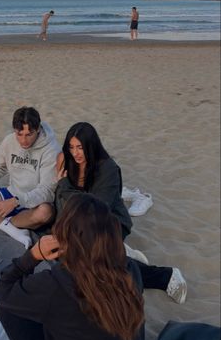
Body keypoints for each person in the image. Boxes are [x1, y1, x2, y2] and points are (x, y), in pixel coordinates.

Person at [0, 193, 148, 340]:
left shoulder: (55, 283)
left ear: (65, 235)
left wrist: (33, 256)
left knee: (9, 308)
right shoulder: (130, 270)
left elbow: (0, 292)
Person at [54, 122, 187, 303]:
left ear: (91, 146)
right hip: (79, 225)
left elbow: (94, 210)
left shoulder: (108, 169)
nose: (75, 153)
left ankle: (166, 276)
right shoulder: (69, 163)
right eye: (71, 147)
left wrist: (64, 186)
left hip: (109, 223)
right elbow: (61, 201)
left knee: (97, 263)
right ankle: (121, 254)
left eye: (80, 147)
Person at [0, 106, 59, 248]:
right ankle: (9, 226)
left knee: (45, 213)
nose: (23, 141)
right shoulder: (9, 141)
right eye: (19, 134)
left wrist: (17, 201)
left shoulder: (51, 150)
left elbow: (47, 191)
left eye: (29, 134)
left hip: (35, 203)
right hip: (11, 193)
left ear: (38, 129)